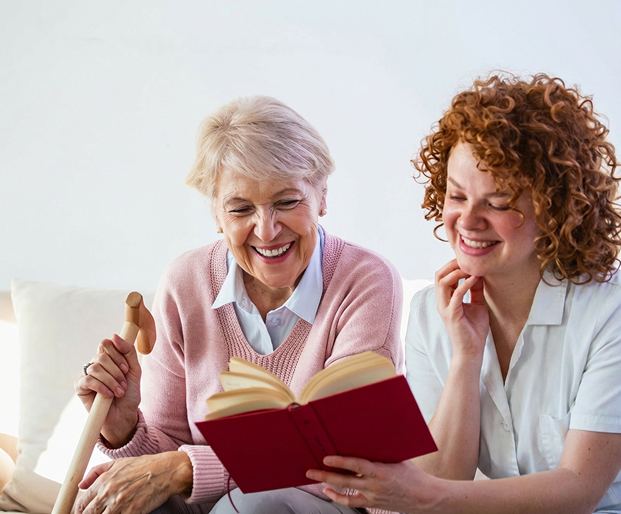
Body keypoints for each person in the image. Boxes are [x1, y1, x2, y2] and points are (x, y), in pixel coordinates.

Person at [307, 73, 621, 513]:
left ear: (555, 209)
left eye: (498, 204)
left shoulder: (618, 311)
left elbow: (578, 491)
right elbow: (443, 482)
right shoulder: (431, 311)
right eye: (457, 196)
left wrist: (421, 494)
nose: (468, 220)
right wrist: (466, 355)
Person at [74, 96, 404, 514]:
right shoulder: (185, 282)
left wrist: (184, 468)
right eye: (240, 208)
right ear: (216, 213)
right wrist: (123, 429)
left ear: (322, 195)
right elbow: (163, 462)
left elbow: (341, 455)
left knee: (253, 505)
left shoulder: (366, 280)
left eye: (287, 202)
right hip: (211, 506)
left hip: (325, 504)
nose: (266, 230)